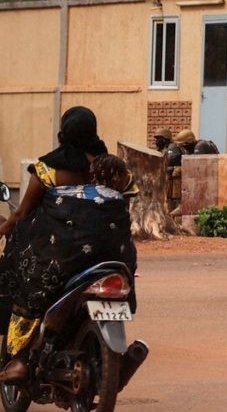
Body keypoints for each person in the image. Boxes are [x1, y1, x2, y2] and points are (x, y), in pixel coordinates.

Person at [0, 106, 137, 382]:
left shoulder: (49, 169)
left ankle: (20, 358)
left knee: (24, 280)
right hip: (114, 255)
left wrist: (5, 229)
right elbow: (123, 207)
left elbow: (22, 214)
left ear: (63, 133)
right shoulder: (113, 169)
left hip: (62, 257)